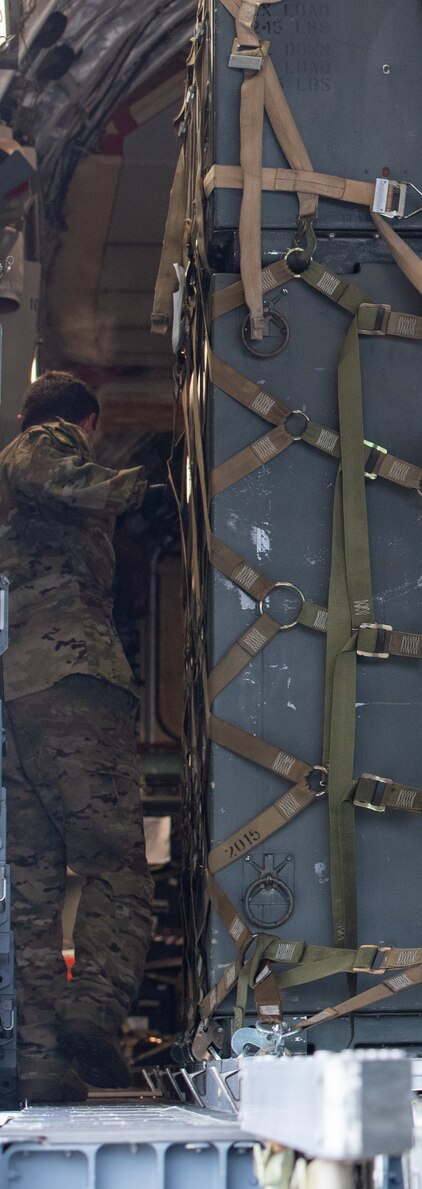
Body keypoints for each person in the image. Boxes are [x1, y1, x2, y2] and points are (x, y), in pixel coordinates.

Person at [0, 372, 156, 1102]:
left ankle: (38, 1064)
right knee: (116, 863)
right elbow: (44, 463)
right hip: (69, 680)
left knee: (30, 892)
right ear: (86, 421)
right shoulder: (46, 442)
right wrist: (143, 485)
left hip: (15, 693)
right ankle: (92, 1013)